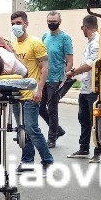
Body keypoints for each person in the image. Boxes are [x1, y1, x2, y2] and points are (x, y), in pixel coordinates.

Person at [10, 11, 53, 171]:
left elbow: (44, 68)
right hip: (16, 95)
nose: (16, 26)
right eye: (13, 23)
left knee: (31, 128)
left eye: (19, 23)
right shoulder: (13, 45)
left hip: (31, 95)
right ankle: (27, 161)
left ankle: (47, 160)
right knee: (22, 130)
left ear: (26, 24)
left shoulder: (35, 42)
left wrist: (39, 90)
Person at [65, 15, 101, 163]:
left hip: (94, 89)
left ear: (85, 28)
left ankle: (98, 152)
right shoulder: (91, 42)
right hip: (85, 89)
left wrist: (73, 72)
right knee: (84, 119)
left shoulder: (97, 42)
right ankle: (83, 148)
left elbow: (90, 64)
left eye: (82, 28)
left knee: (95, 122)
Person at [39, 11, 73, 147]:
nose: (52, 23)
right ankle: (57, 129)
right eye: (49, 21)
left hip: (56, 78)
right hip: (44, 78)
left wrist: (65, 78)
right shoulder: (45, 36)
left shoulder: (65, 38)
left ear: (59, 21)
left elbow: (69, 60)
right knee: (41, 108)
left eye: (54, 21)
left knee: (52, 109)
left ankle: (52, 138)